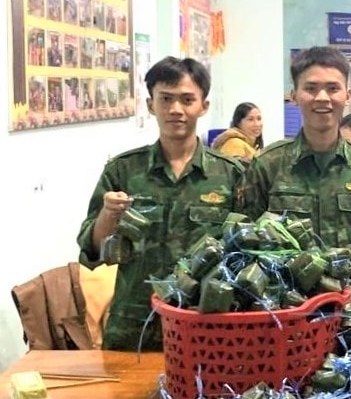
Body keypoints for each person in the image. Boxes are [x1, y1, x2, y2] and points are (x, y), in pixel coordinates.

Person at [76, 56, 244, 350]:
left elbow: (246, 252)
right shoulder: (123, 170)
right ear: (151, 104)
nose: (175, 109)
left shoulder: (231, 174)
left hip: (205, 323)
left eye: (187, 100)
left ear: (203, 106)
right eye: (166, 99)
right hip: (134, 325)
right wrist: (108, 215)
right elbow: (92, 250)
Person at [237, 46, 351, 274]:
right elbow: (246, 233)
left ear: (347, 96)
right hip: (286, 290)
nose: (322, 98)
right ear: (294, 96)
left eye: (332, 88)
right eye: (311, 88)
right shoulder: (268, 164)